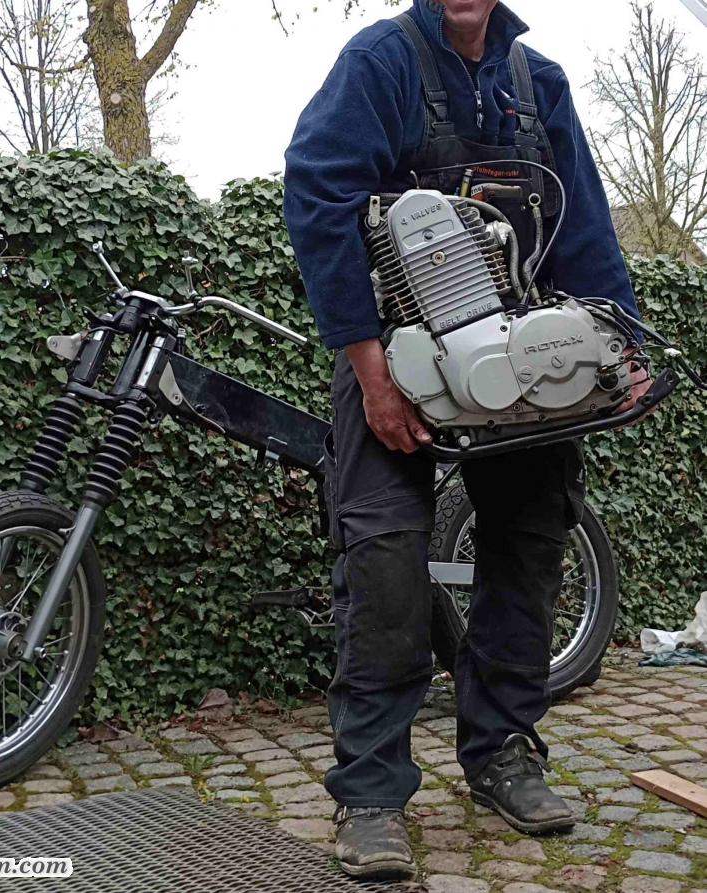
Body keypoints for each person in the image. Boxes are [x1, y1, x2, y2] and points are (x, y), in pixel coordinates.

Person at [283, 0, 652, 881]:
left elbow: (583, 225)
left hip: (519, 358)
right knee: (384, 556)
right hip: (395, 355)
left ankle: (502, 754)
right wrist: (369, 371)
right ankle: (371, 792)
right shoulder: (381, 62)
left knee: (528, 543)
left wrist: (620, 344)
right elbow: (319, 192)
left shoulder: (538, 82)